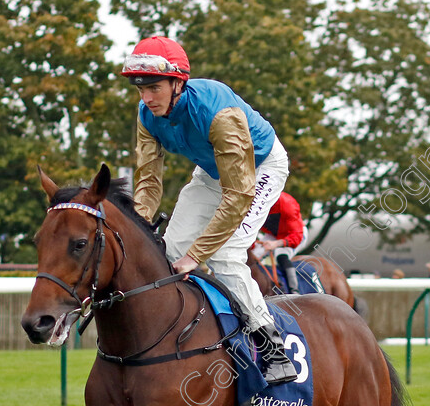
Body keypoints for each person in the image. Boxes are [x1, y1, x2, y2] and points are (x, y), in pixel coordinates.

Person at [121, 35, 297, 384]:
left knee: (226, 253)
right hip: (212, 170)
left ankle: (274, 347)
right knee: (168, 251)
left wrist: (196, 255)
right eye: (140, 89)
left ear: (177, 83)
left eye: (153, 87)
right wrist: (138, 228)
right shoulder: (147, 114)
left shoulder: (218, 113)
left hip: (260, 167)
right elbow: (148, 183)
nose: (146, 98)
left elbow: (238, 194)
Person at [252, 192, 305, 292]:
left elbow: (297, 236)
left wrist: (276, 244)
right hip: (273, 235)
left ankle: (294, 291)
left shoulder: (287, 204)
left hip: (295, 234)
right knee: (253, 255)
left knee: (281, 255)